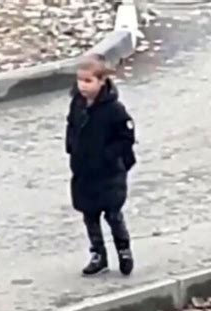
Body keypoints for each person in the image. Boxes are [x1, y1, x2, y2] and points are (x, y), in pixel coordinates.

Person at [65, 54, 137, 276]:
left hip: (109, 173)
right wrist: (72, 148)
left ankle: (123, 249)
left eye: (88, 81)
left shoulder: (114, 110)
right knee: (90, 215)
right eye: (80, 80)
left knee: (113, 214)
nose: (83, 86)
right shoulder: (77, 104)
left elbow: (126, 137)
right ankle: (98, 254)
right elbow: (72, 125)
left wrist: (109, 156)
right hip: (84, 171)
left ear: (102, 81)